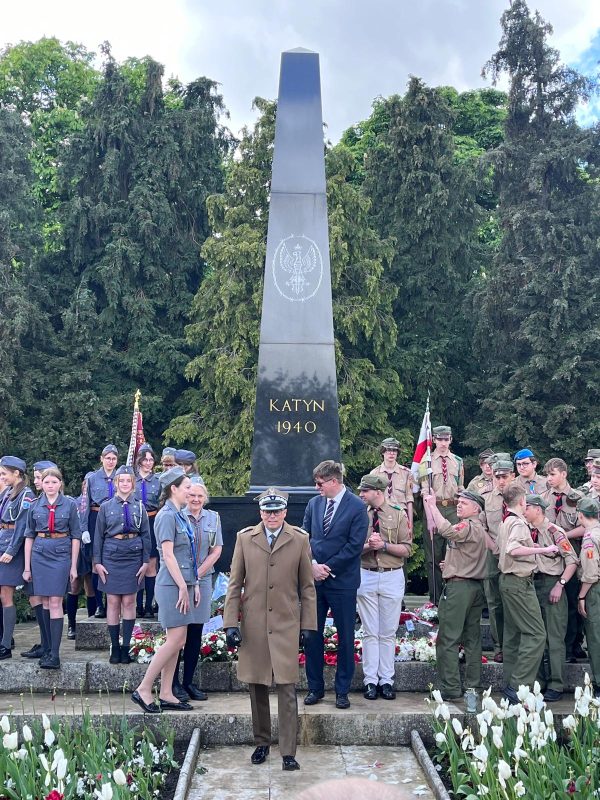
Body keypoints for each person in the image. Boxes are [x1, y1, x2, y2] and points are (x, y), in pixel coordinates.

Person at [224, 488, 317, 771]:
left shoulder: (299, 539)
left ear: (285, 512)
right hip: (254, 624)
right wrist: (230, 622)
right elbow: (234, 583)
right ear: (260, 513)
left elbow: (307, 587)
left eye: (276, 511)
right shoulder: (245, 538)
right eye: (267, 511)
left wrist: (309, 625)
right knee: (257, 686)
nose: (272, 516)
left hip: (286, 624)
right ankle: (262, 742)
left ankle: (288, 751)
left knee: (287, 688)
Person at [131, 467, 199, 713]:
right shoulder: (166, 516)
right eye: (187, 487)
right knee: (175, 640)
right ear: (174, 489)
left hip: (183, 582)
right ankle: (144, 688)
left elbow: (187, 555)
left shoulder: (179, 514)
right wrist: (182, 585)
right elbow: (167, 555)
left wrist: (194, 583)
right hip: (171, 584)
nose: (191, 492)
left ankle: (167, 692)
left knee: (178, 641)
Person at [302, 460, 368, 710]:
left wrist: (327, 568)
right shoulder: (314, 504)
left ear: (333, 481)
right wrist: (313, 565)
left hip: (342, 582)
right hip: (314, 580)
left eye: (319, 484)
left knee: (345, 638)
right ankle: (315, 688)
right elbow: (304, 536)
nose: (317, 488)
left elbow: (354, 546)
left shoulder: (357, 507)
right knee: (311, 635)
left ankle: (342, 691)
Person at [423, 490, 490, 701]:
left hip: (459, 589)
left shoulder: (467, 525)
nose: (459, 506)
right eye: (458, 502)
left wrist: (433, 506)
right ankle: (473, 686)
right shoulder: (479, 527)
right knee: (472, 639)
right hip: (474, 586)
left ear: (476, 508)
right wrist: (449, 564)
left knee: (448, 639)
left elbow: (447, 531)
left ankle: (451, 688)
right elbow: (467, 555)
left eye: (464, 503)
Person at [497, 483, 558, 704]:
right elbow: (512, 549)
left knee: (513, 635)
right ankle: (518, 685)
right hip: (519, 583)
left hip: (508, 581)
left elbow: (499, 550)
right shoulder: (519, 524)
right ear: (522, 501)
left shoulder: (506, 521)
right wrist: (543, 549)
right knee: (536, 634)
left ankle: (511, 684)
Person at [356, 474, 412, 700]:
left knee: (388, 632)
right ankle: (370, 681)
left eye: (365, 491)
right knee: (370, 632)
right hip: (366, 573)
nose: (361, 494)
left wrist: (385, 545)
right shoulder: (360, 514)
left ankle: (386, 681)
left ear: (377, 492)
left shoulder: (398, 513)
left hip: (391, 575)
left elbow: (407, 549)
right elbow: (352, 548)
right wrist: (369, 546)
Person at [23, 467, 81, 669]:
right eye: (46, 482)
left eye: (54, 482)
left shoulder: (70, 505)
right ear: (42, 485)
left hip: (61, 555)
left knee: (55, 601)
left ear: (60, 484)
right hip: (39, 554)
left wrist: (74, 566)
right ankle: (47, 649)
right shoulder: (34, 505)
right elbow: (29, 535)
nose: (50, 486)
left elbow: (76, 536)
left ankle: (55, 654)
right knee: (45, 602)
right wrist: (27, 567)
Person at [523, 494, 579, 701]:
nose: (523, 510)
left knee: (554, 637)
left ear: (538, 509)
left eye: (526, 507)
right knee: (536, 636)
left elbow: (572, 561)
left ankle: (556, 684)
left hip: (551, 583)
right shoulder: (526, 531)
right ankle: (539, 682)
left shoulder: (555, 532)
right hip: (531, 583)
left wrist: (560, 584)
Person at [93, 466, 151, 664]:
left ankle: (126, 646)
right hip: (111, 556)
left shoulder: (140, 507)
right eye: (121, 481)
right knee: (113, 602)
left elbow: (146, 535)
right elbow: (98, 536)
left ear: (133, 484)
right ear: (116, 483)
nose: (125, 484)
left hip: (133, 556)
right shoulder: (106, 507)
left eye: (128, 481)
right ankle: (114, 647)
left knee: (129, 602)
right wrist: (97, 562)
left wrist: (145, 561)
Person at [174, 480, 223, 701]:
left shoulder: (213, 518)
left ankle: (188, 682)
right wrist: (188, 580)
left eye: (199, 496)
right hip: (180, 582)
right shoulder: (176, 517)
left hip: (202, 581)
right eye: (191, 495)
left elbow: (216, 550)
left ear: (205, 498)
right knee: (177, 635)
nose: (195, 500)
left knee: (195, 633)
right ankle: (172, 683)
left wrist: (198, 576)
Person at [67, 444, 119, 634]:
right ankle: (99, 605)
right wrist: (83, 529)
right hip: (95, 518)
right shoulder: (92, 478)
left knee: (111, 560)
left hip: (115, 519)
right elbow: (84, 504)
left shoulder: (120, 476)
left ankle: (110, 601)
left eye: (114, 458)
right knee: (96, 562)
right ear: (101, 458)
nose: (111, 461)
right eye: (108, 458)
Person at [541, 457, 585, 663]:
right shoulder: (543, 498)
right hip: (550, 557)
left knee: (572, 602)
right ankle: (559, 648)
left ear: (564, 474)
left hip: (572, 557)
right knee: (556, 607)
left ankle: (573, 645)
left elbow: (586, 526)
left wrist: (563, 536)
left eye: (552, 474)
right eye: (547, 475)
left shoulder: (578, 498)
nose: (549, 478)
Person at [420, 425, 464, 604]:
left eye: (446, 439)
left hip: (453, 509)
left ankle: (453, 597)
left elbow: (460, 487)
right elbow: (424, 491)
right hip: (434, 508)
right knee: (434, 556)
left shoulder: (458, 461)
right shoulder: (426, 461)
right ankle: (436, 600)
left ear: (451, 440)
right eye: (440, 439)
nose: (443, 443)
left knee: (455, 553)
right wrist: (430, 518)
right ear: (434, 440)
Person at [20, 459, 59, 661]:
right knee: (37, 598)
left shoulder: (59, 501)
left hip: (54, 554)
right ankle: (45, 642)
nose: (35, 481)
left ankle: (49, 645)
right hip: (36, 554)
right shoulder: (36, 502)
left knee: (48, 600)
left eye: (38, 477)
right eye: (35, 477)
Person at [0, 456, 36, 660]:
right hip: (2, 543)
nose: (2, 477)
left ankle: (5, 645)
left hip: (11, 550)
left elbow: (22, 527)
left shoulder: (26, 495)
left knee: (6, 594)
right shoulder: (9, 493)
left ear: (17, 473)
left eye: (5, 473)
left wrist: (11, 551)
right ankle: (4, 639)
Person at [481, 459, 515, 663]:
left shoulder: (522, 497)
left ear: (512, 476)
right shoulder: (486, 498)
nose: (501, 481)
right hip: (492, 553)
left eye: (505, 476)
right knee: (494, 602)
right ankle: (499, 646)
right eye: (497, 477)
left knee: (514, 600)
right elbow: (481, 525)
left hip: (515, 555)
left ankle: (514, 644)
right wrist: (493, 547)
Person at [575, 497, 600, 697]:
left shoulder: (590, 538)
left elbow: (591, 573)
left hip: (595, 589)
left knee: (595, 637)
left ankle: (599, 681)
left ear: (580, 515)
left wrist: (581, 596)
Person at [134, 444, 161, 618]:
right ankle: (137, 605)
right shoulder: (131, 478)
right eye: (145, 459)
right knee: (137, 565)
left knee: (151, 565)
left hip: (152, 520)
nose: (148, 463)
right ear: (139, 460)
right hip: (135, 522)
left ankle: (150, 604)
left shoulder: (158, 480)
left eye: (151, 460)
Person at [369, 437, 413, 533]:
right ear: (383, 452)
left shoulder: (406, 473)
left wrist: (411, 524)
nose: (392, 453)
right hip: (380, 517)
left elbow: (409, 500)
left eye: (394, 450)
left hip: (400, 517)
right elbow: (371, 502)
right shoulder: (374, 474)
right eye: (388, 450)